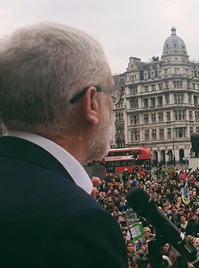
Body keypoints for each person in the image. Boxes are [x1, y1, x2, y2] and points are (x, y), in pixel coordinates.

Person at [0, 22, 127, 267]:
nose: (113, 105)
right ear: (91, 104)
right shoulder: (79, 224)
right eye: (112, 94)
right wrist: (74, 208)